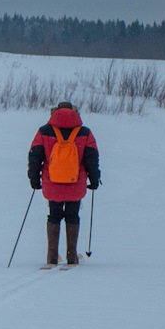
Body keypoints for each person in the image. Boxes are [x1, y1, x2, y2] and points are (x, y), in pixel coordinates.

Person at [28, 100, 100, 266]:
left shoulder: (44, 131)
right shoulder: (84, 133)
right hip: (75, 183)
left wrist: (34, 178)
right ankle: (72, 256)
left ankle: (52, 256)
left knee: (54, 215)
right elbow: (92, 158)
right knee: (73, 215)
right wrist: (94, 179)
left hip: (52, 183)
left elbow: (34, 156)